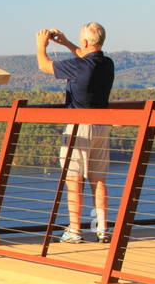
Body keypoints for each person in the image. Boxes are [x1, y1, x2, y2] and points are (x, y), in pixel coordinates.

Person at [36, 23, 115, 244]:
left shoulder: (79, 67)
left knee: (74, 179)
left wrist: (41, 44)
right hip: (102, 126)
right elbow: (85, 55)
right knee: (99, 180)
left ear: (86, 42)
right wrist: (66, 43)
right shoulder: (107, 63)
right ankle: (102, 229)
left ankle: (74, 230)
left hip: (79, 127)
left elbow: (44, 65)